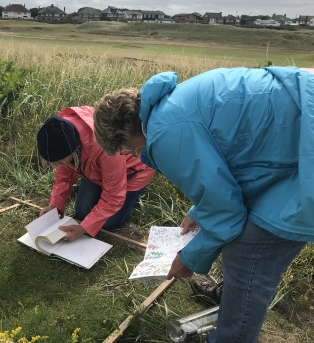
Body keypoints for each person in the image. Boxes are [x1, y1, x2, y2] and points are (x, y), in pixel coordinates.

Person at [93, 66, 314, 343]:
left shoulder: (164, 135)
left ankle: (232, 334)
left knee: (247, 252)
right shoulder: (168, 107)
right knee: (245, 244)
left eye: (126, 150)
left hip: (306, 145)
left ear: (126, 135)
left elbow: (228, 214)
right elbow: (237, 163)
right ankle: (233, 307)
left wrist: (188, 259)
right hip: (299, 124)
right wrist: (199, 211)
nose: (133, 155)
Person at [36, 106, 155, 241]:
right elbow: (64, 176)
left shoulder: (104, 146)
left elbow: (114, 196)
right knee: (82, 211)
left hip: (132, 170)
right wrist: (55, 206)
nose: (58, 166)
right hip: (96, 171)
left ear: (74, 151)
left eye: (60, 162)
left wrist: (83, 229)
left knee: (110, 223)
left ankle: (134, 195)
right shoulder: (58, 136)